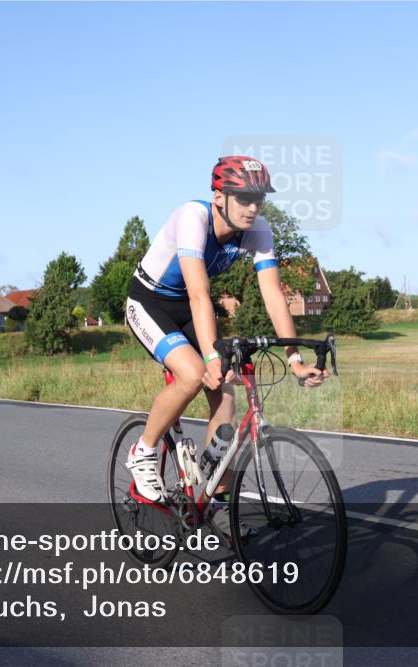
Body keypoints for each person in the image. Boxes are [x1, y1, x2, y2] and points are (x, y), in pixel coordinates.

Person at [123, 156, 329, 538]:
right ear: (218, 196)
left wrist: (296, 358)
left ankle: (215, 499)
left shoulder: (258, 230)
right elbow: (201, 295)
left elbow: (274, 295)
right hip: (150, 303)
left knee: (228, 394)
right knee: (193, 374)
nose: (253, 207)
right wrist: (212, 356)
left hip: (189, 309)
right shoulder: (193, 218)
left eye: (258, 199)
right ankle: (144, 450)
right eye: (243, 198)